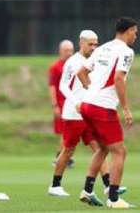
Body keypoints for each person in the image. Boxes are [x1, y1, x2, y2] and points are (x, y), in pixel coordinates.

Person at [49, 30, 124, 199]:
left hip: (89, 112)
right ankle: (55, 185)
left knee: (99, 148)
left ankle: (107, 185)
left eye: (96, 43)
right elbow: (63, 86)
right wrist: (75, 102)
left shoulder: (95, 61)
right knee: (68, 150)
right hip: (73, 114)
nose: (94, 47)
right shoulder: (72, 62)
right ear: (81, 43)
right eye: (90, 44)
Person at [76, 17, 138, 209]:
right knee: (119, 151)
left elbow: (81, 72)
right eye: (135, 32)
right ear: (128, 31)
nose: (136, 36)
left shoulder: (102, 48)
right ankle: (113, 198)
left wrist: (91, 91)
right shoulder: (127, 51)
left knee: (103, 149)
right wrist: (126, 108)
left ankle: (87, 190)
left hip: (87, 104)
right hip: (102, 107)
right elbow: (119, 78)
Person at [49, 40, 74, 165]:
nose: (69, 53)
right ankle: (61, 157)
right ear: (60, 51)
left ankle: (64, 156)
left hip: (73, 103)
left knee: (70, 132)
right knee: (64, 132)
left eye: (71, 50)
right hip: (61, 104)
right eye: (66, 50)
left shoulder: (75, 65)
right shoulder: (55, 67)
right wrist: (54, 105)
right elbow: (52, 86)